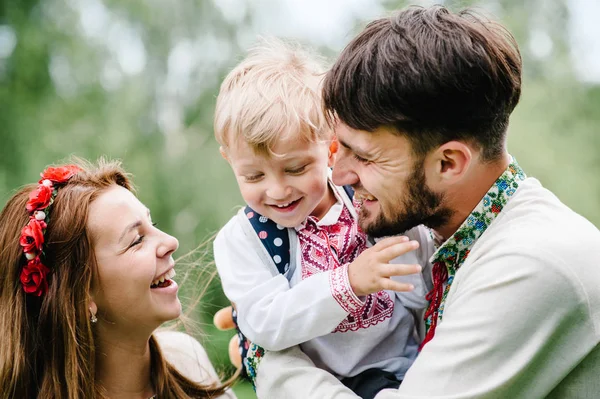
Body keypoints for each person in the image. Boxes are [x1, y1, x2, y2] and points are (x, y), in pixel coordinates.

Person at [231, 5, 600, 398]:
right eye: (339, 150)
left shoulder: (529, 265)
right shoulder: (447, 240)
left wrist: (267, 356)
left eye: (366, 157)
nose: (338, 176)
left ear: (448, 163)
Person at [212, 37, 432, 398]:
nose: (278, 190)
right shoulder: (243, 241)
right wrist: (349, 282)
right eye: (253, 176)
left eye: (296, 168)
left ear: (330, 147)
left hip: (399, 369)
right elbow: (265, 323)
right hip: (317, 384)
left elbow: (418, 280)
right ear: (229, 161)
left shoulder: (366, 198)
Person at [0, 159, 236, 399]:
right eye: (136, 240)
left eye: (152, 223)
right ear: (81, 296)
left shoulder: (187, 359)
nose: (170, 242)